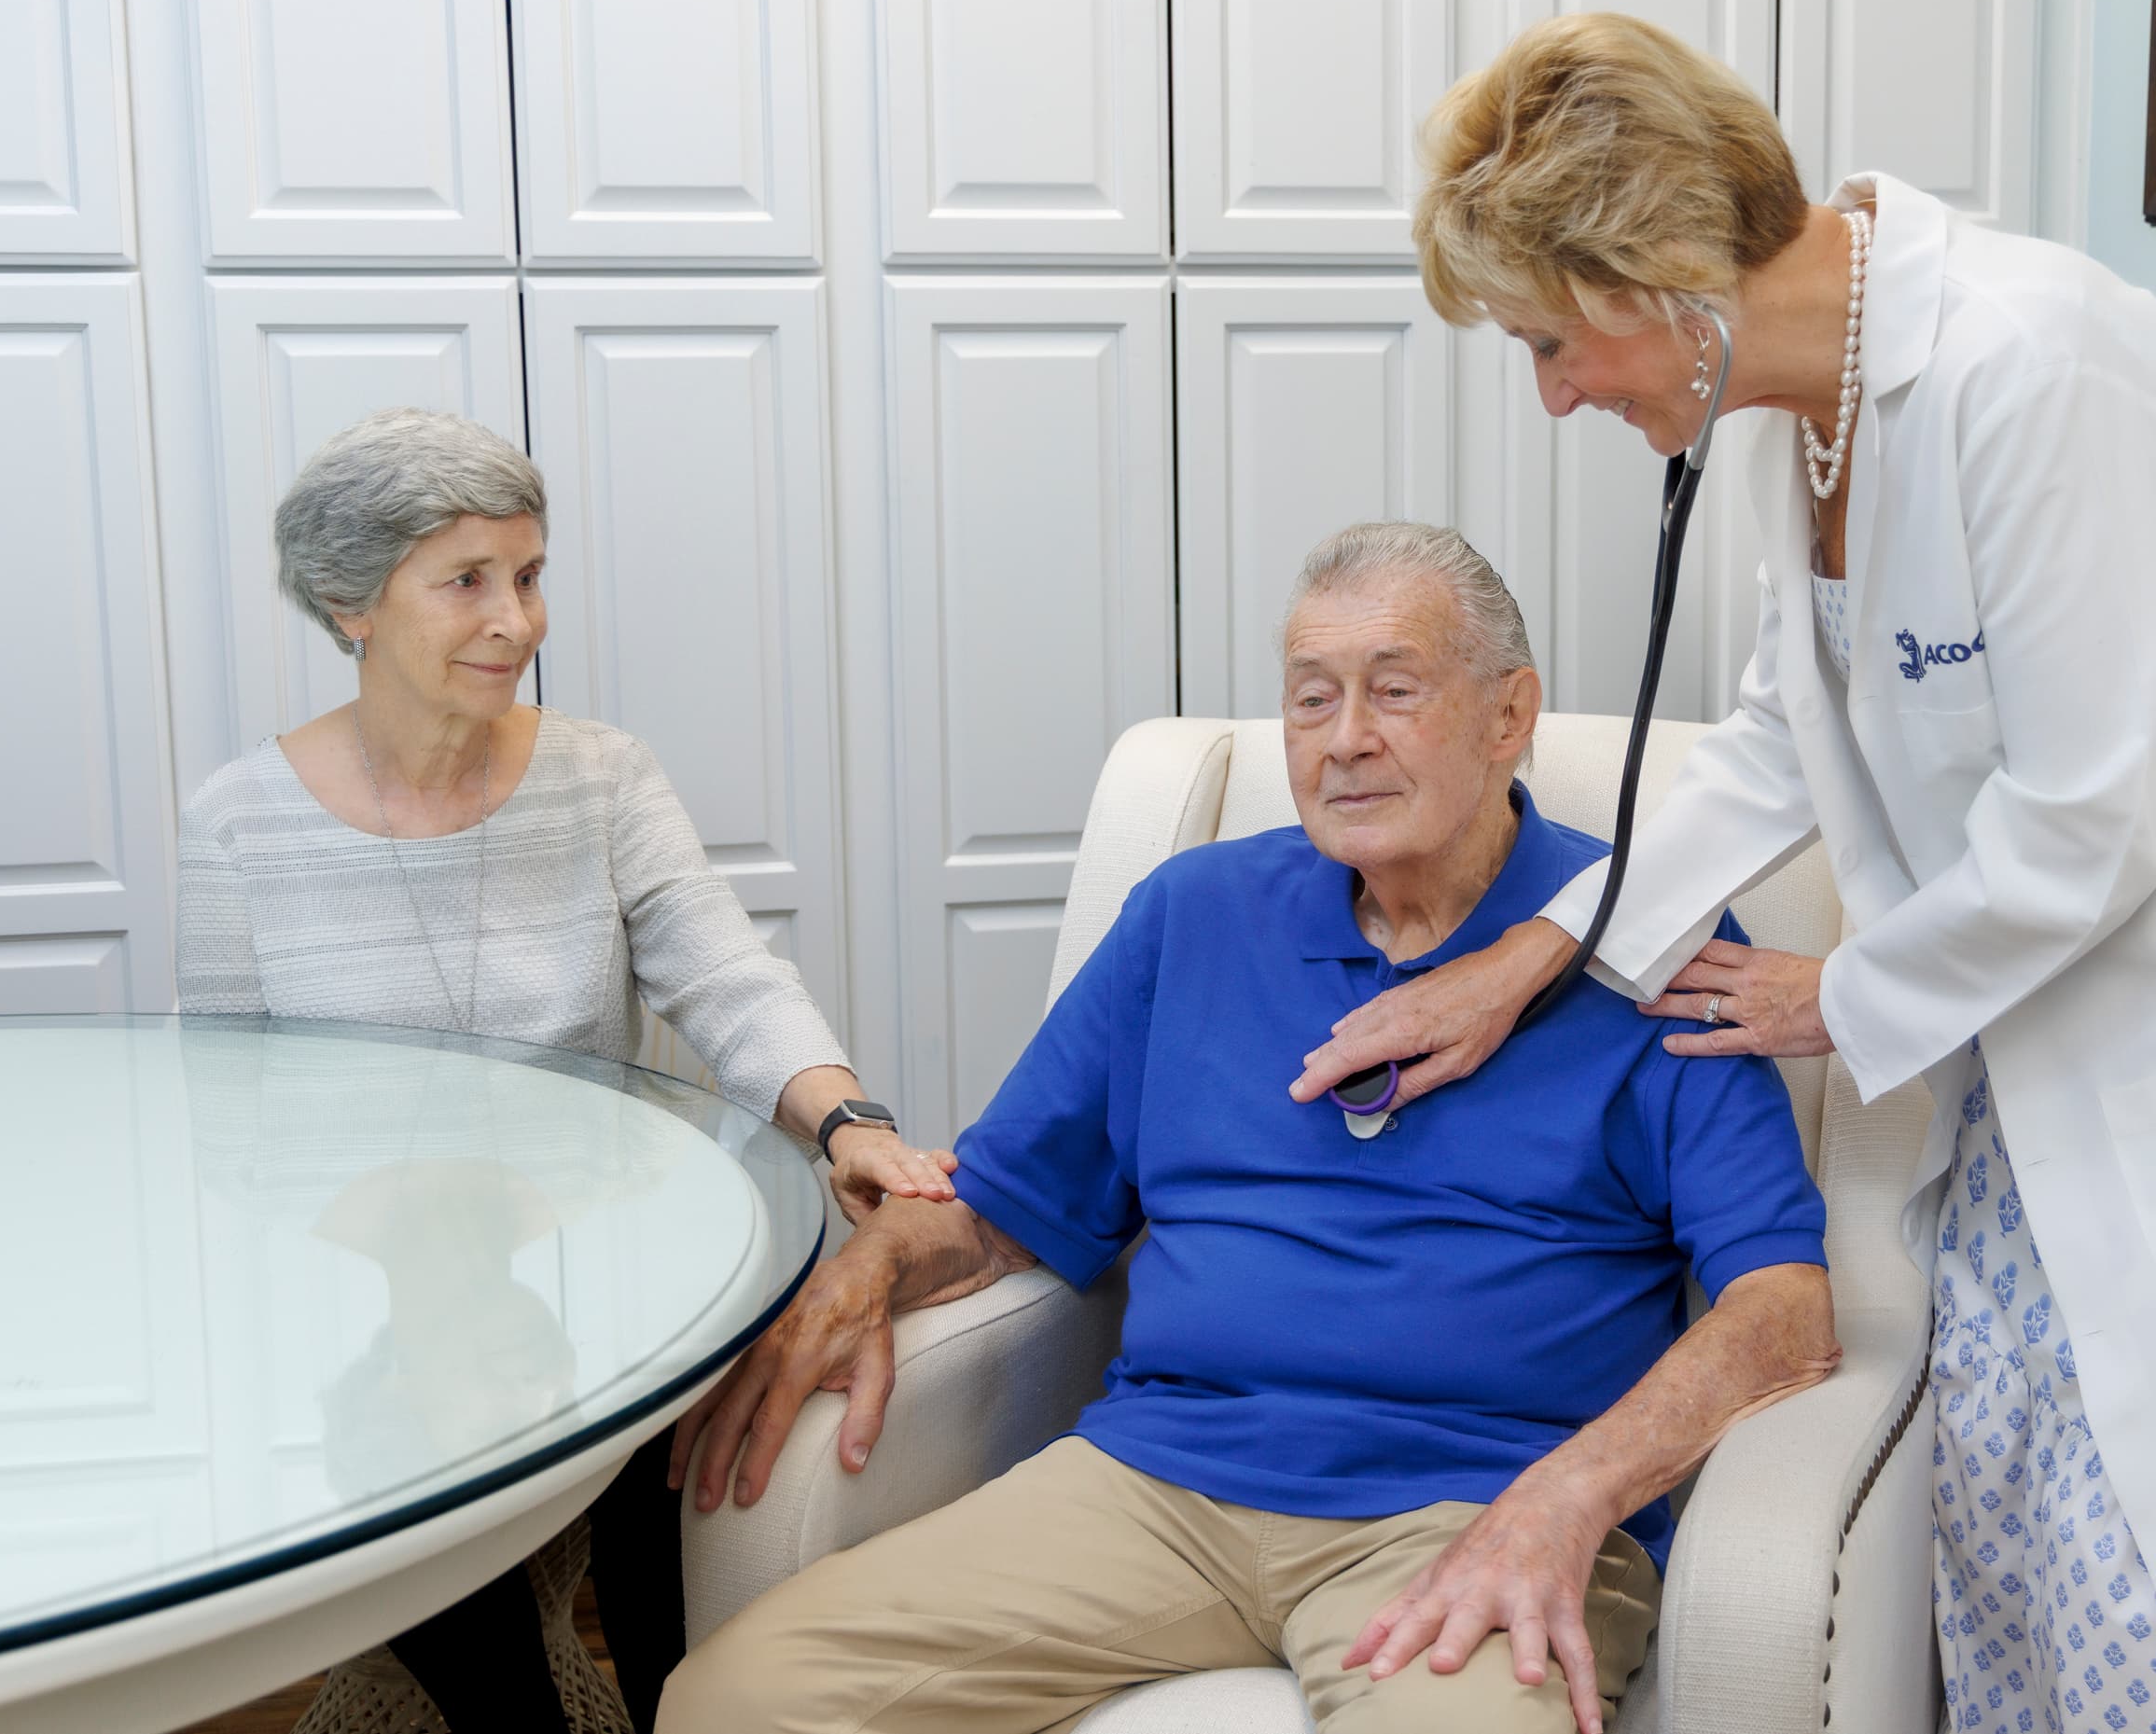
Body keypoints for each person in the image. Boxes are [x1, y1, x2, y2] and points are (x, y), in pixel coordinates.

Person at [1289, 14, 2156, 1734]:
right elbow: (1784, 741)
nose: (1557, 391)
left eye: (1558, 341)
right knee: (2021, 1610)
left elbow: (2102, 813)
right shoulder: (1805, 416)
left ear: (1661, 280)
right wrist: (1531, 956)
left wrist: (1832, 993)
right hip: (2028, 1108)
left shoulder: (2041, 365)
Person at [659, 523, 1841, 1734]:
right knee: (736, 1701)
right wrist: (875, 1263)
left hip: (1477, 1509)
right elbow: (1006, 1203)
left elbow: (1786, 1311)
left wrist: (1573, 1494)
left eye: (1393, 689)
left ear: (1508, 714)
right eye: (1311, 697)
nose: (1345, 740)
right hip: (1159, 1485)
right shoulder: (1194, 913)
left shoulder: (1652, 943)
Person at [174, 408, 954, 1733]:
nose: (517, 620)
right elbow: (231, 1125)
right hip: (376, 1296)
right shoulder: (240, 822)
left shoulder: (602, 777)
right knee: (466, 1604)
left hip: (610, 1272)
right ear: (348, 601)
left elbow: (725, 976)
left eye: (528, 576)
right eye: (466, 580)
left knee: (674, 1609)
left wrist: (848, 1120)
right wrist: (422, 1271)